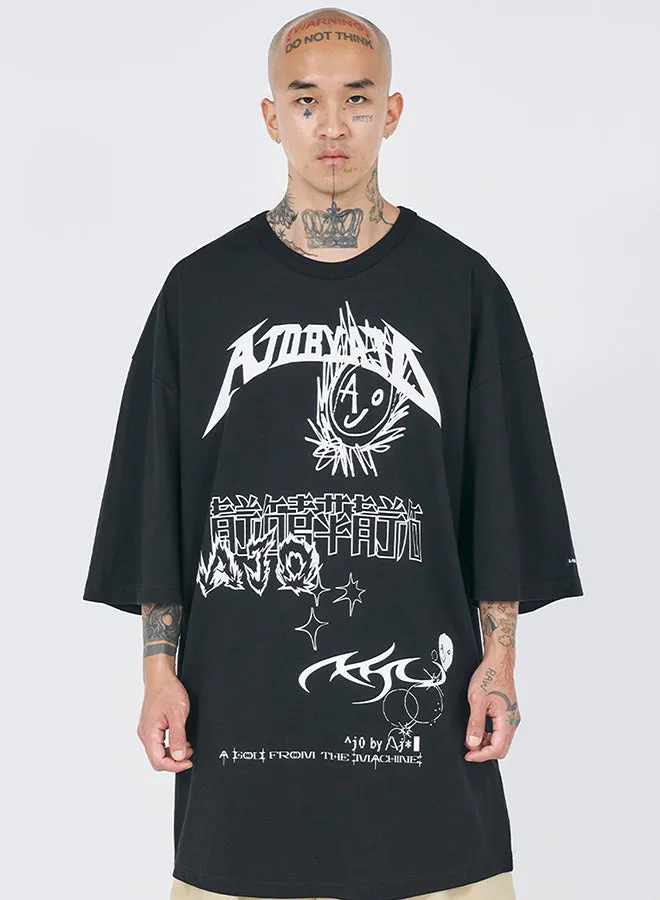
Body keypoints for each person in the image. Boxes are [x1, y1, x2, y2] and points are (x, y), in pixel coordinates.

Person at [83, 7, 584, 900]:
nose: (331, 125)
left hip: (417, 711)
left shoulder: (461, 286)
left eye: (356, 99)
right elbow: (159, 496)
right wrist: (158, 671)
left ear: (391, 112)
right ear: (270, 116)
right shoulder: (200, 291)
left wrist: (499, 665)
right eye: (305, 100)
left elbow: (500, 492)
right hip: (244, 720)